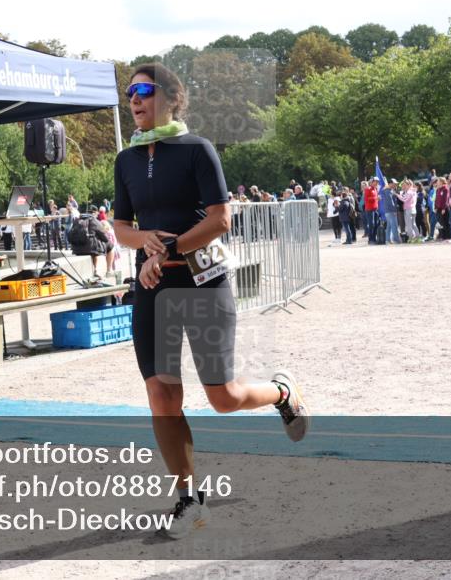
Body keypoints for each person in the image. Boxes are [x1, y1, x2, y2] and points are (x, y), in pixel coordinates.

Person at [112, 63, 309, 538]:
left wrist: (169, 247)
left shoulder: (197, 150)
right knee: (161, 393)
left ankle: (282, 392)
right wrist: (145, 244)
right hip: (153, 288)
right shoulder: (126, 161)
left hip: (203, 283)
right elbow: (122, 228)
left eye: (143, 90)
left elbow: (220, 220)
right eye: (129, 93)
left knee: (223, 398)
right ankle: (186, 496)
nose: (134, 100)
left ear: (173, 98)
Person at [380, 179, 402, 244]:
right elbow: (390, 202)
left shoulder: (388, 190)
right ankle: (396, 240)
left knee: (389, 226)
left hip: (388, 211)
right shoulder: (388, 191)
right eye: (394, 184)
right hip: (391, 211)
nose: (396, 185)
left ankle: (387, 240)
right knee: (394, 225)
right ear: (390, 184)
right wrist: (394, 210)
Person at [363, 178, 380, 244]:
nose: (376, 183)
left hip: (375, 209)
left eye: (377, 182)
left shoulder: (375, 189)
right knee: (371, 224)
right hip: (369, 209)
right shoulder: (368, 189)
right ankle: (370, 239)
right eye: (375, 182)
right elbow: (366, 199)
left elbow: (375, 199)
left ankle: (374, 238)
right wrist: (376, 198)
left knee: (376, 224)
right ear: (371, 182)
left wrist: (377, 199)